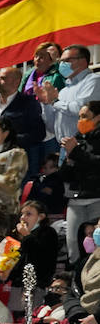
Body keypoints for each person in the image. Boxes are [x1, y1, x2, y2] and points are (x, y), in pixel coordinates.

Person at [0, 67, 45, 179]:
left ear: (16, 82)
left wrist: (8, 140)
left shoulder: (28, 103)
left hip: (17, 163)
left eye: (3, 78)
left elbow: (38, 133)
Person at [58, 100, 100, 265]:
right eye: (79, 116)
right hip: (76, 199)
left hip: (97, 198)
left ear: (98, 117)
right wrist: (69, 159)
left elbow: (96, 164)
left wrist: (76, 152)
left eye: (85, 116)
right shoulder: (76, 140)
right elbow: (64, 176)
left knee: (94, 244)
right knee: (73, 245)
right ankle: (75, 282)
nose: (81, 120)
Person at [38, 45, 100, 143]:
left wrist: (55, 101)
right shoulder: (64, 91)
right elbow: (52, 127)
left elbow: (80, 110)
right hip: (64, 148)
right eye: (60, 61)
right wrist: (46, 103)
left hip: (86, 146)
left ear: (82, 61)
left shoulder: (93, 81)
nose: (62, 64)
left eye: (66, 60)